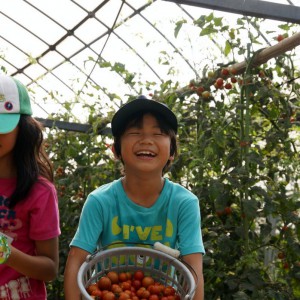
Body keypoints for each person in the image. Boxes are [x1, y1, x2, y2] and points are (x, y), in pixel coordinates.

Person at [64, 95, 205, 299]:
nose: (146, 140)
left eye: (158, 133)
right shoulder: (100, 201)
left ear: (172, 151)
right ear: (116, 150)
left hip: (161, 292)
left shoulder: (183, 203)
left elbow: (194, 269)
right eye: (135, 132)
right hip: (108, 292)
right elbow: (76, 261)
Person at [0, 74, 61, 299]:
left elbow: (50, 269)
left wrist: (3, 250)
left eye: (2, 126)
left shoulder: (39, 191)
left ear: (22, 127)